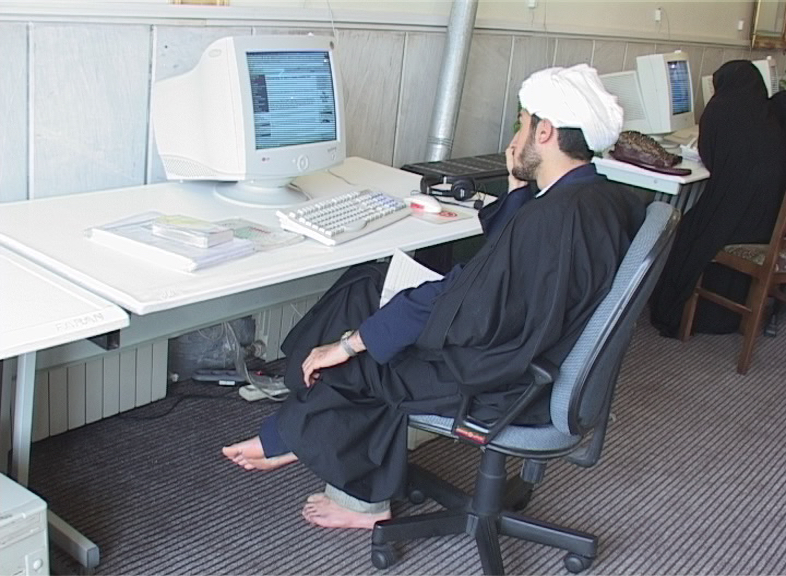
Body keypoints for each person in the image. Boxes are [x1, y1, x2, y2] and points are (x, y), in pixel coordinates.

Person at [222, 64, 646, 530]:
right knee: (365, 284)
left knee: (361, 359)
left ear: (544, 131)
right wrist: (518, 188)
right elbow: (510, 266)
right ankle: (297, 398)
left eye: (523, 123)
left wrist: (351, 343)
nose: (517, 135)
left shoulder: (553, 220)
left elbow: (469, 303)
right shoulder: (595, 198)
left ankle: (341, 481)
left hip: (500, 376)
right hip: (530, 347)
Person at [649, 60, 786, 337]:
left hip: (734, 221)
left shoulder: (721, 110)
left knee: (683, 231)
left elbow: (711, 160)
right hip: (768, 225)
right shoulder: (770, 116)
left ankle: (675, 311)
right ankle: (730, 315)